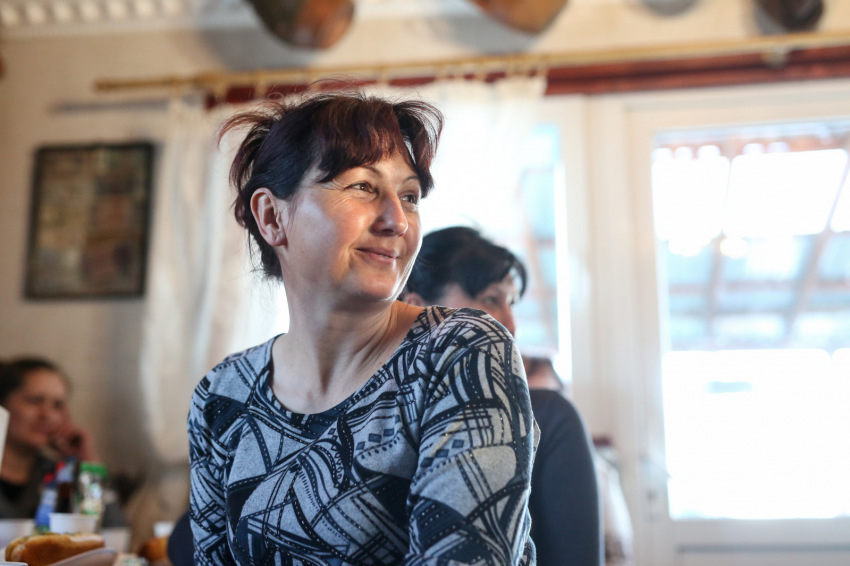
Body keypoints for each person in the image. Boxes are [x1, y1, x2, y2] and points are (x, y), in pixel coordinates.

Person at [188, 89, 537, 565]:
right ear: (271, 217)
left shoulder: (459, 352)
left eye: (409, 196)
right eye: (362, 187)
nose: (398, 221)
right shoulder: (221, 396)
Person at [404, 226, 603, 566]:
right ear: (417, 307)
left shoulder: (549, 418)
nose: (511, 325)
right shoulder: (369, 417)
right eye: (490, 299)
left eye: (511, 303)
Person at [0, 357, 100, 519]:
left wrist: (88, 464)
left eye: (57, 405)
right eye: (34, 401)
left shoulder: (58, 474)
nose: (47, 415)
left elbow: (111, 527)